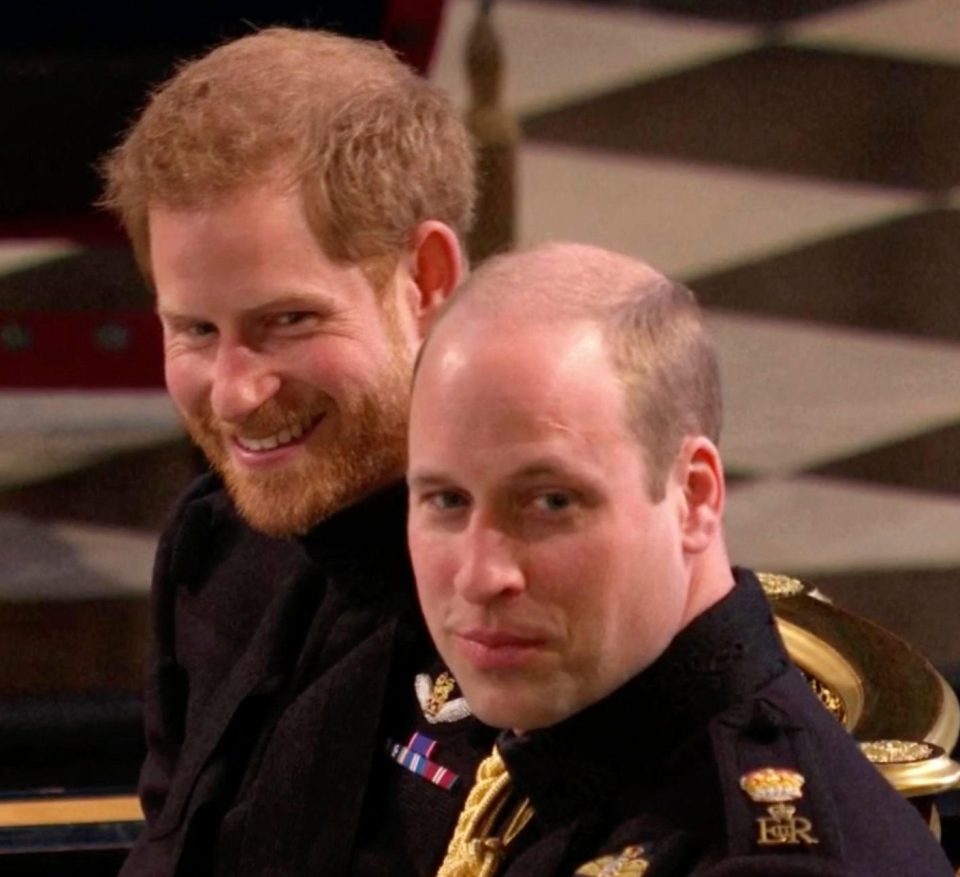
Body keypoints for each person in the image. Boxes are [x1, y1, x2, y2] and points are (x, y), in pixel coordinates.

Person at [406, 242, 955, 876]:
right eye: (447, 500)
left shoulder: (763, 862)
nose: (480, 576)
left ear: (694, 496)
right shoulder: (565, 729)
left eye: (552, 502)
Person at [100, 27, 497, 876]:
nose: (237, 393)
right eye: (196, 330)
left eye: (288, 321)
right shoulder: (215, 545)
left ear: (426, 279)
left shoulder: (539, 601)